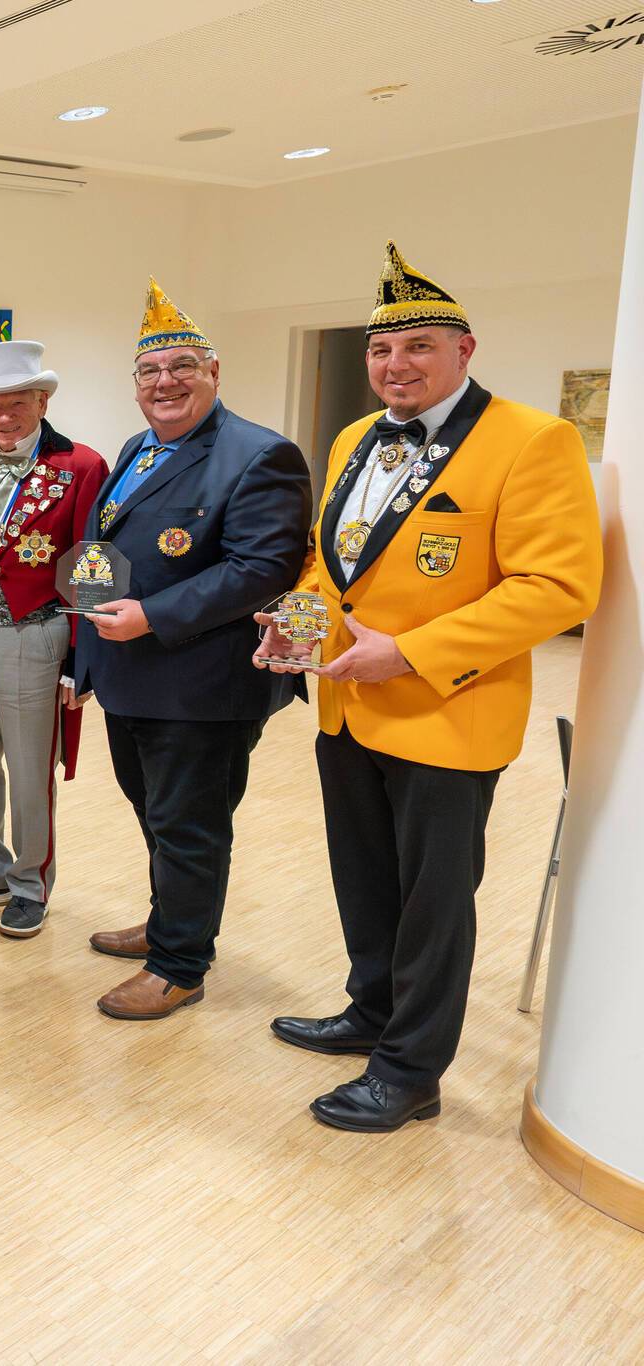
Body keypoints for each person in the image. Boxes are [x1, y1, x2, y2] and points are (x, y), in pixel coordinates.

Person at [255, 243, 602, 1131]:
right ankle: (371, 1014)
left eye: (418, 346)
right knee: (364, 880)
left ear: (465, 350)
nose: (394, 365)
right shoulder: (350, 439)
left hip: (448, 713)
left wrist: (411, 653)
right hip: (345, 708)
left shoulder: (533, 440)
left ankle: (411, 1072)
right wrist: (296, 621)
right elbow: (334, 567)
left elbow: (557, 589)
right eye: (381, 350)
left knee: (432, 903)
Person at [71, 280, 311, 1020]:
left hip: (201, 684)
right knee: (155, 814)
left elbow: (259, 569)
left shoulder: (259, 454)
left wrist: (151, 616)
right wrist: (86, 657)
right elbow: (111, 552)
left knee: (189, 823)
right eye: (149, 371)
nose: (164, 382)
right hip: (131, 675)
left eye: (182, 366)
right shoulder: (138, 448)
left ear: (214, 374)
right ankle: (167, 921)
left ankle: (180, 964)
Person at [0, 341, 105, 938]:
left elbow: (92, 562)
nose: (4, 418)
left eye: (17, 404)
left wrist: (84, 657)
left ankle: (31, 880)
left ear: (43, 400)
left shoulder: (81, 465)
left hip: (37, 631)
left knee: (32, 766)